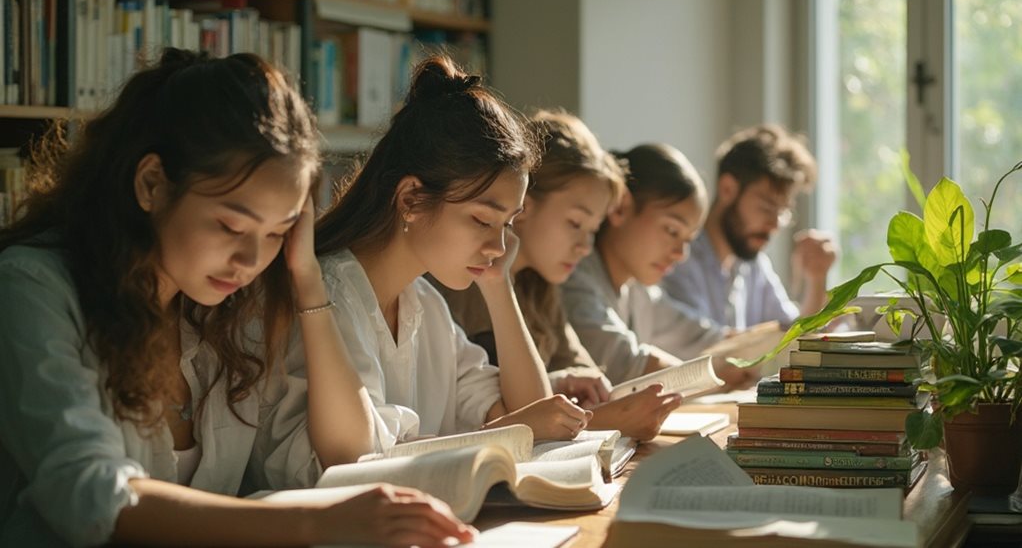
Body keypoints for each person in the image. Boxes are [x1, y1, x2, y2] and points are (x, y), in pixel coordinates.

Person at [0, 49, 472, 548]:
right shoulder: (33, 286)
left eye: (276, 232)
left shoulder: (231, 308)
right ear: (152, 184)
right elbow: (89, 494)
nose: (250, 260)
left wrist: (307, 276)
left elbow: (308, 467)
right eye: (230, 225)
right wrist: (314, 525)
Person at [310, 56, 590, 450]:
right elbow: (360, 460)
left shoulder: (425, 305)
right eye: (482, 220)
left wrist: (498, 285)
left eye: (508, 223)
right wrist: (509, 432)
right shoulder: (329, 298)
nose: (499, 246)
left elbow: (534, 411)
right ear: (411, 198)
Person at [436, 110, 683, 440]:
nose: (585, 246)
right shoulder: (465, 284)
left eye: (593, 231)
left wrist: (575, 380)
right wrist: (609, 419)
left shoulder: (540, 286)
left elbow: (584, 372)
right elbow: (500, 418)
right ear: (523, 207)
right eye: (575, 224)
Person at [561, 143, 756, 388]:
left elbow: (701, 337)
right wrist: (711, 378)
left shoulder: (638, 292)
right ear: (621, 207)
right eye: (672, 230)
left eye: (688, 240)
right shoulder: (572, 277)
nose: (680, 254)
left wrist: (752, 348)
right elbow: (625, 364)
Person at [660, 124, 838, 330]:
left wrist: (817, 278)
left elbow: (794, 335)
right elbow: (703, 351)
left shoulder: (752, 264)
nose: (775, 225)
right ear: (728, 188)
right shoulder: (677, 259)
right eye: (767, 207)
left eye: (783, 212)